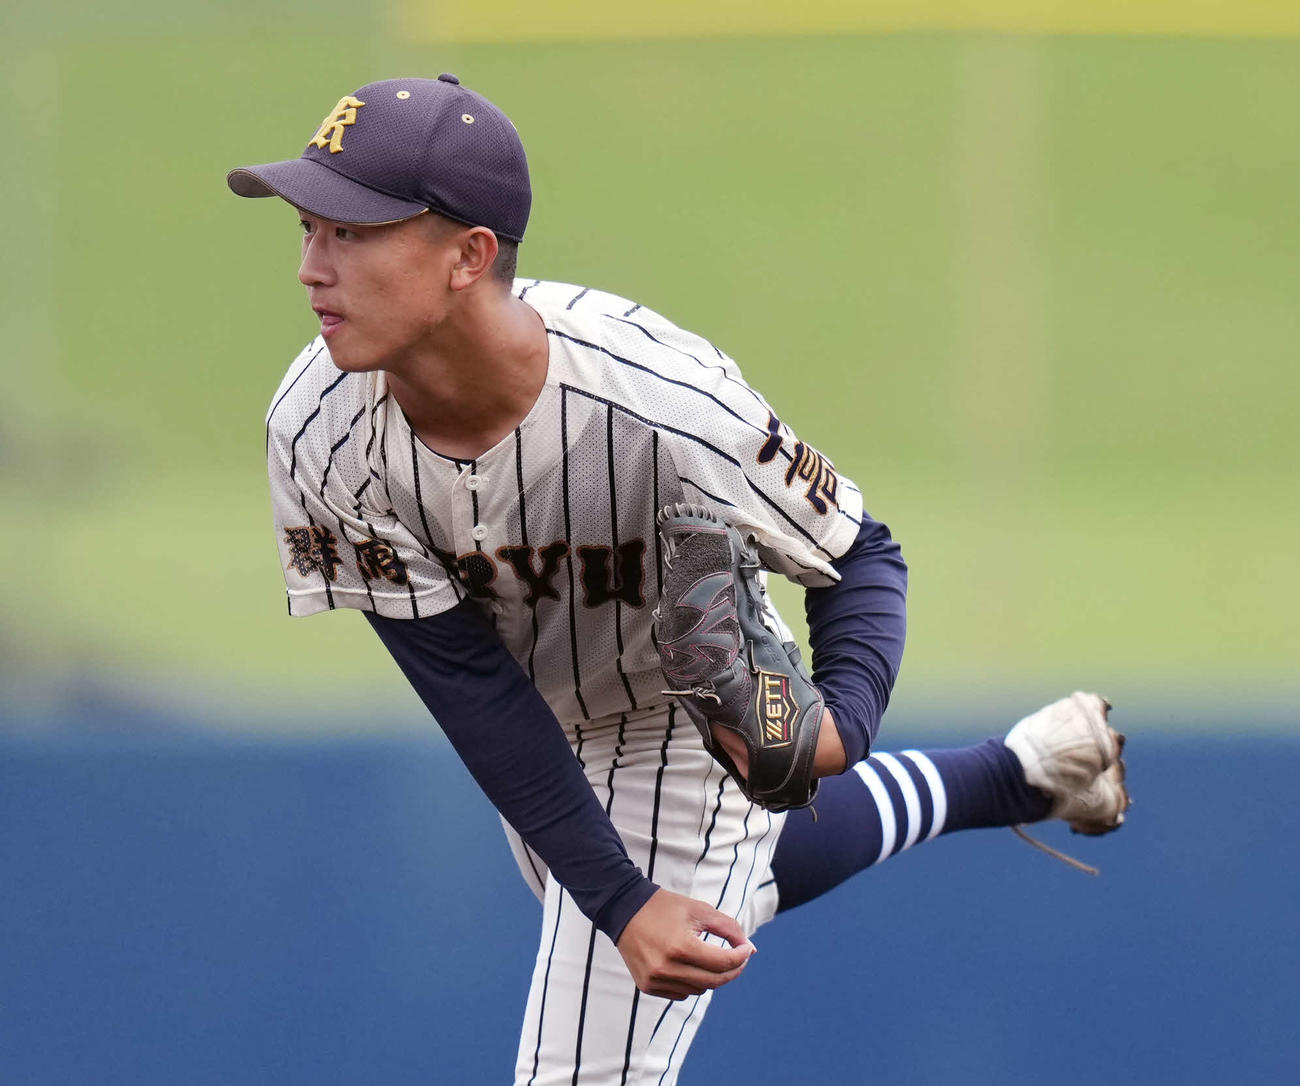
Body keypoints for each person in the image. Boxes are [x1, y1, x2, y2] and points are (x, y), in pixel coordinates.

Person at [228, 74, 1129, 1085]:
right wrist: (618, 897)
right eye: (307, 228)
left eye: (350, 233)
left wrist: (837, 731)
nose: (311, 268)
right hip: (541, 724)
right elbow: (467, 687)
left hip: (686, 717)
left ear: (467, 256)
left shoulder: (662, 399)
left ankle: (998, 776)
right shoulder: (316, 430)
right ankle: (1017, 772)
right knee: (729, 888)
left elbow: (859, 552)